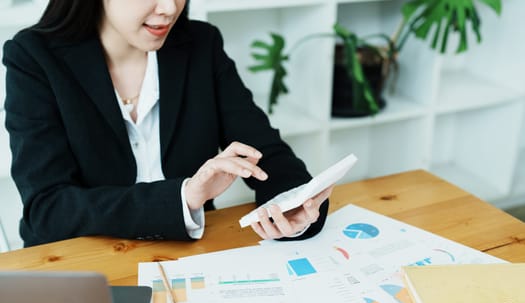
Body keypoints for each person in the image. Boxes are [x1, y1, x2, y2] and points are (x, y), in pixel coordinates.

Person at [2, 0, 331, 247]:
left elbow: (265, 152)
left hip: (187, 255)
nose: (168, 8)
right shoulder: (34, 57)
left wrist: (294, 207)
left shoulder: (201, 44)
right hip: (80, 263)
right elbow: (48, 210)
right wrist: (184, 197)